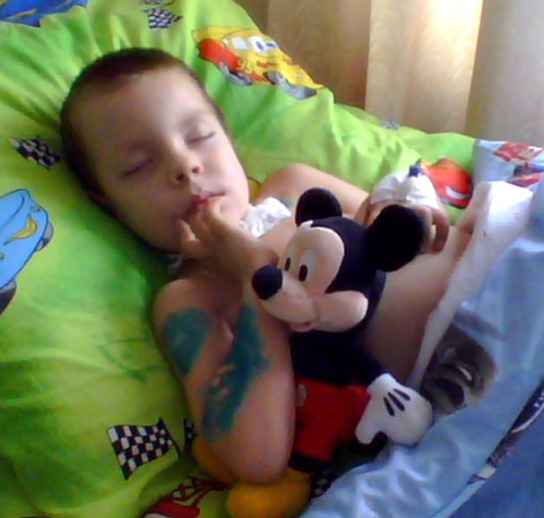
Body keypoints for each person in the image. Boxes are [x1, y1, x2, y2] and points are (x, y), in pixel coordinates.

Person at [59, 48, 467, 516]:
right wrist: (255, 273)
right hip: (472, 375)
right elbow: (257, 458)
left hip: (502, 257)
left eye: (199, 135)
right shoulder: (190, 302)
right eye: (138, 166)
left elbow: (400, 233)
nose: (184, 166)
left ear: (228, 136)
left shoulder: (296, 189)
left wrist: (417, 212)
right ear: (108, 203)